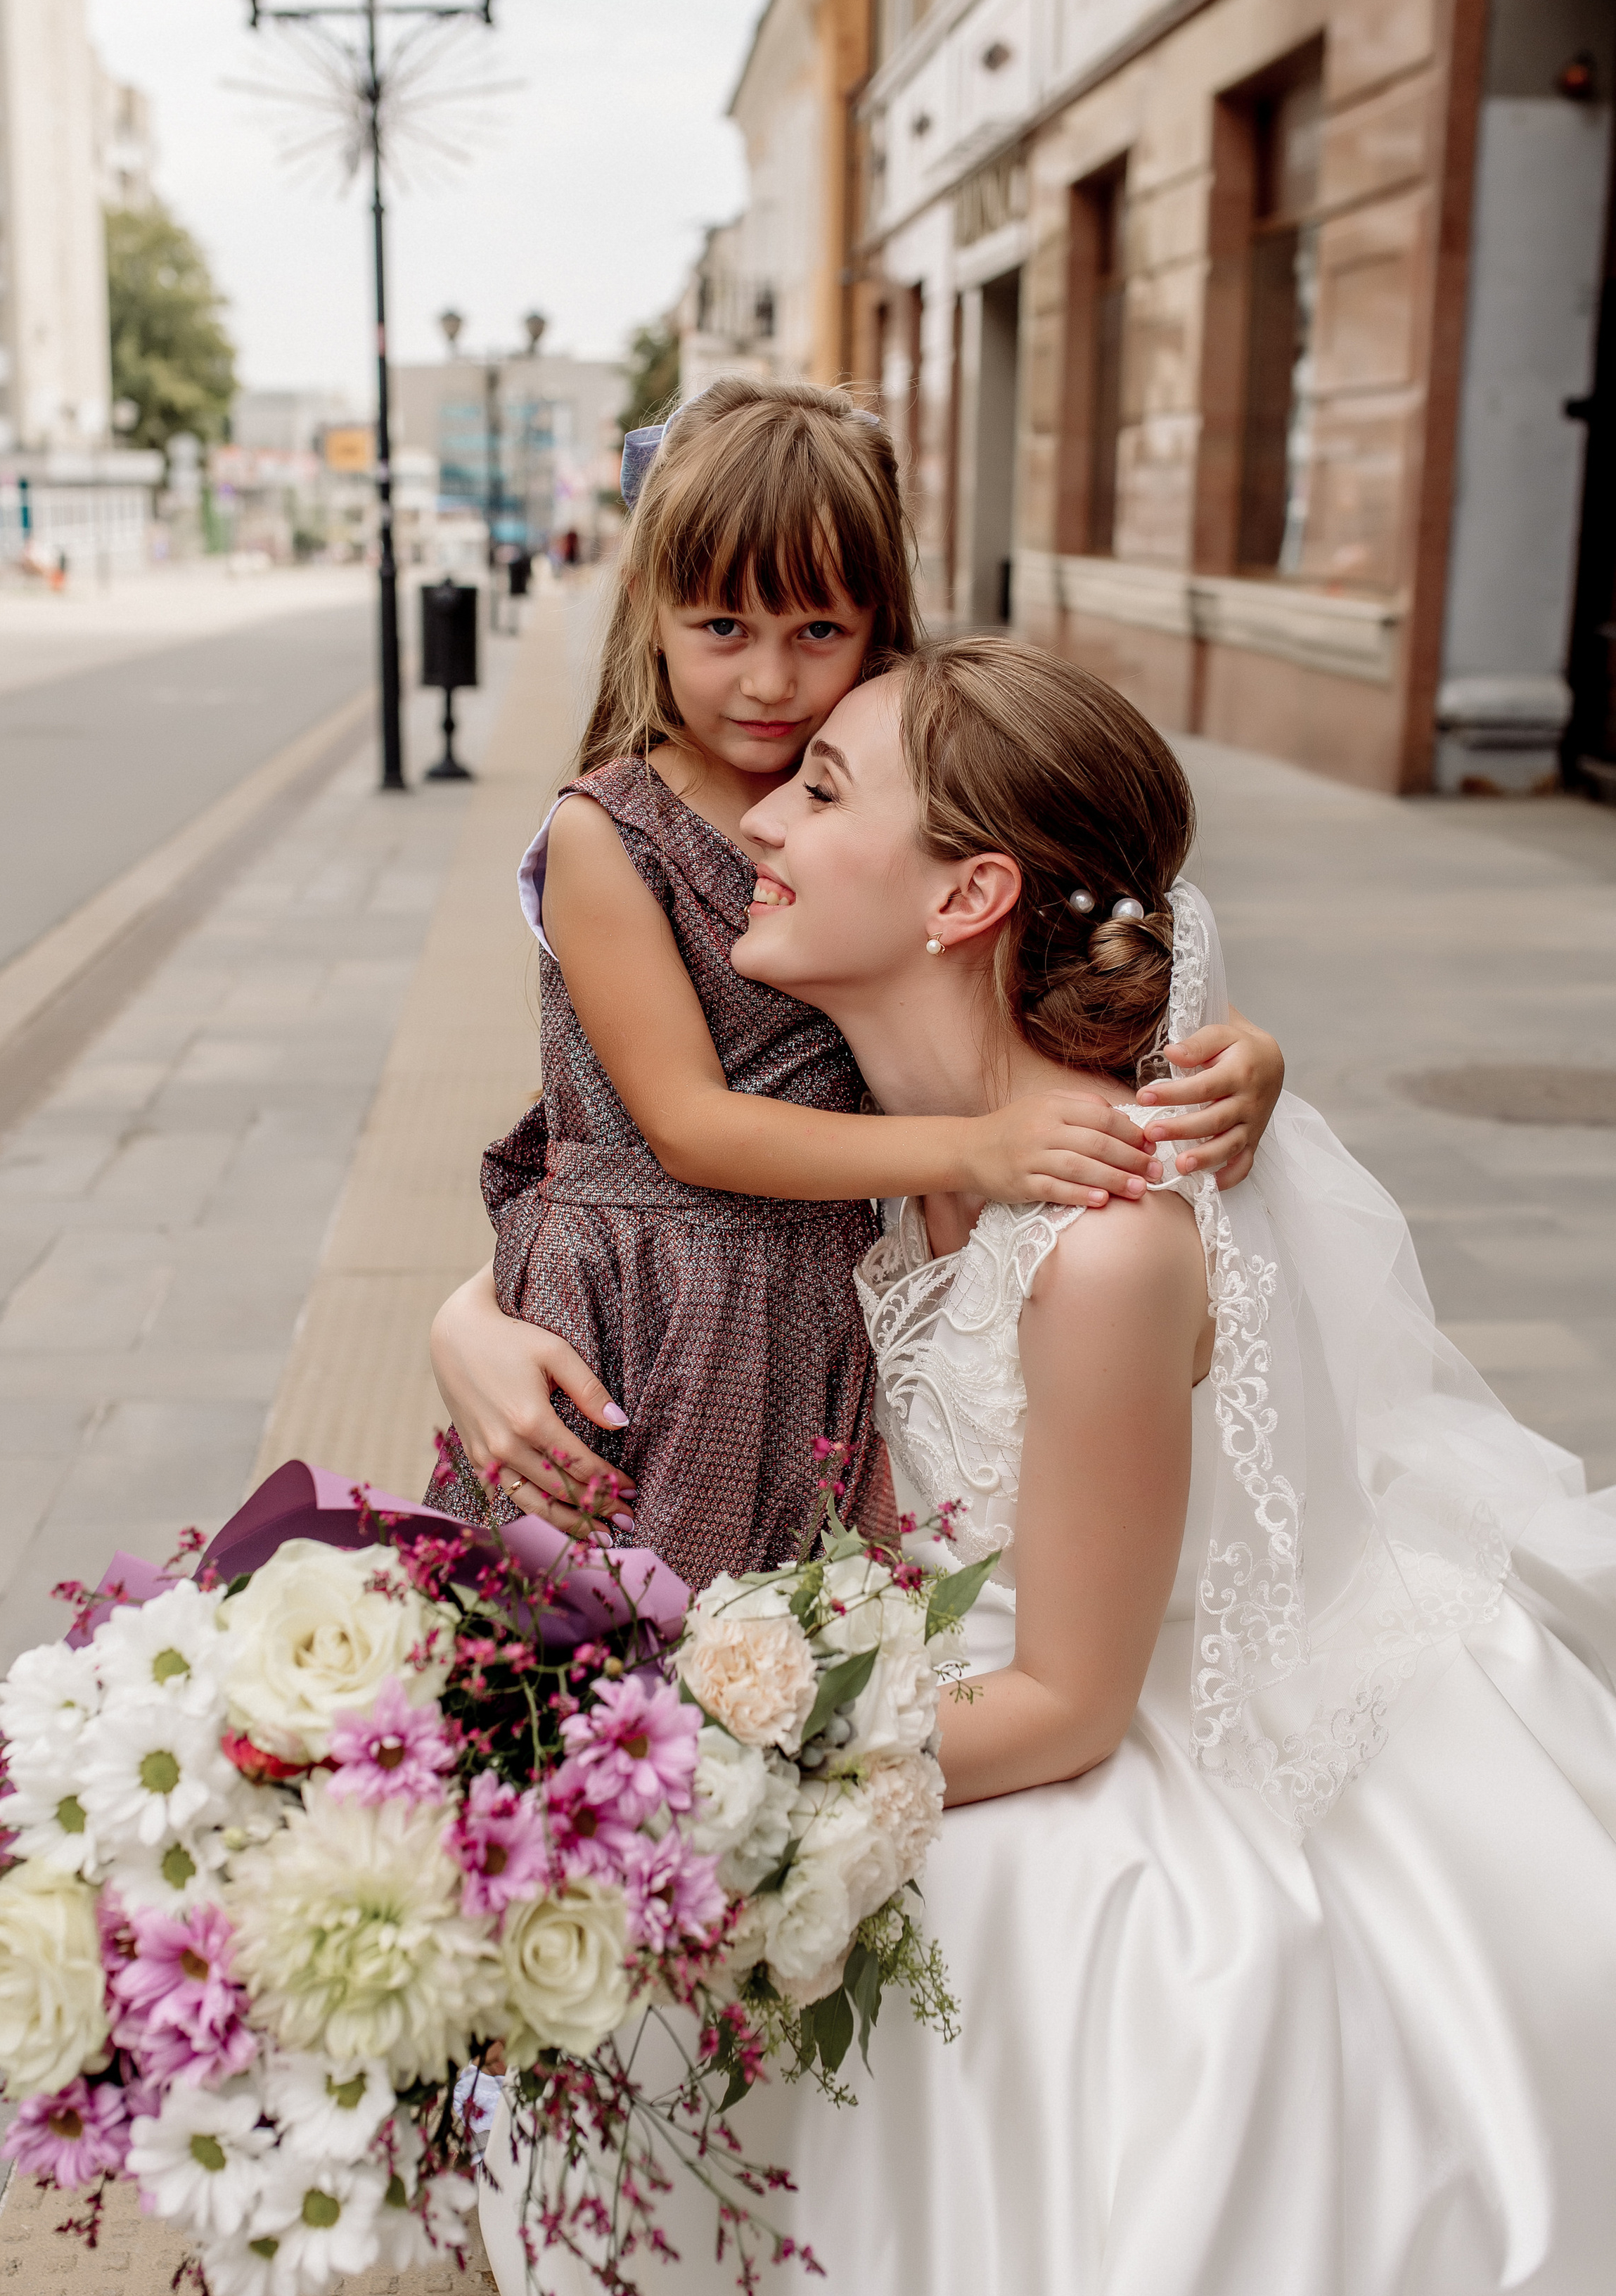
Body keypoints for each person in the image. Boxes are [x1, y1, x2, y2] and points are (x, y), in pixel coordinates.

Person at [478, 639, 1616, 2296]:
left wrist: (728, 1778)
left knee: (1023, 1950)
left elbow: (1075, 1706)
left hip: (1084, 1708)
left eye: (824, 790)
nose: (758, 816)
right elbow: (621, 1192)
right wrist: (470, 1322)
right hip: (923, 1656)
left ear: (972, 893)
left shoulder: (1103, 1248)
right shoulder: (858, 1134)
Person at [427, 381, 1285, 1587]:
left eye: (815, 632)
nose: (771, 683)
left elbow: (1074, 916)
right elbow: (681, 1129)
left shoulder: (915, 771)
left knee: (801, 1614)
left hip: (822, 1290)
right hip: (661, 1308)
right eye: (723, 628)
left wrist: (1239, 1051)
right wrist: (974, 1151)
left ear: (880, 620)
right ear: (649, 608)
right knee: (609, 1631)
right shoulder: (608, 836)